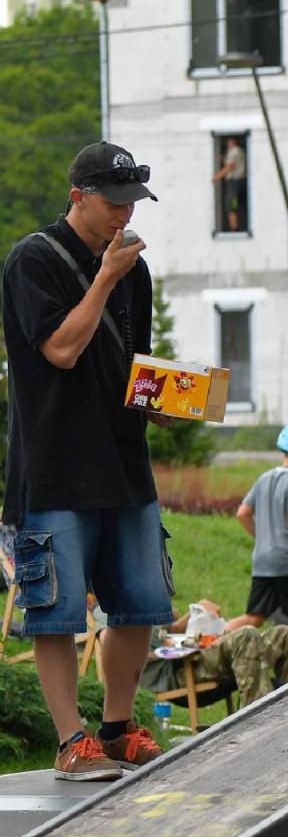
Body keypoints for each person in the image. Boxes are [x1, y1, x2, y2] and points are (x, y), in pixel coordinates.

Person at [3, 141, 169, 781]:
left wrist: (166, 402)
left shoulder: (137, 272)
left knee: (142, 602)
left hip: (125, 460)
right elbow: (61, 350)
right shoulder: (33, 260)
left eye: (133, 204)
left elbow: (136, 365)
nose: (123, 217)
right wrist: (104, 277)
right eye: (113, 202)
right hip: (56, 465)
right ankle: (72, 741)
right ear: (78, 196)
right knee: (59, 610)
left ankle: (119, 728)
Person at [227, 421, 288, 662]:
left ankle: (212, 642)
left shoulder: (264, 478)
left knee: (254, 617)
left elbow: (242, 513)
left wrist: (264, 540)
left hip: (262, 560)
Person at [143, 600, 288, 709]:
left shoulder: (145, 607)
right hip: (181, 673)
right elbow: (167, 626)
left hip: (193, 656)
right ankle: (258, 713)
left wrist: (197, 610)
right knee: (246, 635)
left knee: (284, 635)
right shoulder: (130, 615)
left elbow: (172, 626)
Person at [211, 137, 246, 233]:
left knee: (231, 204)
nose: (228, 145)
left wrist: (217, 176)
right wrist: (223, 158)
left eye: (228, 143)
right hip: (239, 182)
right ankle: (236, 226)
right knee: (235, 203)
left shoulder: (234, 152)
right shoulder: (240, 151)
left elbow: (230, 166)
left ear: (232, 142)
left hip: (235, 182)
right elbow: (230, 164)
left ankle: (234, 228)